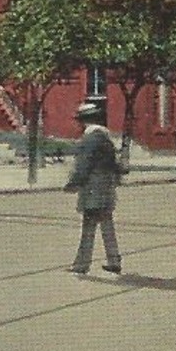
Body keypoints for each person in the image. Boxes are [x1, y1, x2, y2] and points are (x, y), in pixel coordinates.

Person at [64, 101, 126, 275]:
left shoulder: (90, 138)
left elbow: (84, 164)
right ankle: (114, 260)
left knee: (89, 226)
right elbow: (115, 165)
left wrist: (74, 182)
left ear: (84, 121)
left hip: (93, 188)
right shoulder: (105, 138)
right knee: (106, 224)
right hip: (106, 187)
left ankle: (81, 264)